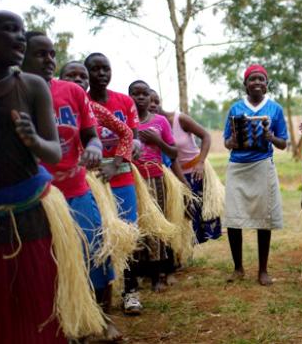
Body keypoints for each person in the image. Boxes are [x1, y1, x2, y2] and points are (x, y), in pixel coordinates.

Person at [0, 11, 100, 343]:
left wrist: (33, 140)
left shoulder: (31, 87)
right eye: (9, 30)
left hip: (30, 210)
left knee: (37, 299)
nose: (19, 37)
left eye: (21, 31)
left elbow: (53, 154)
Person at [22, 32, 122, 341]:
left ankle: (100, 318)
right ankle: (60, 323)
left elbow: (90, 134)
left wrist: (93, 147)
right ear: (21, 57)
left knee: (95, 252)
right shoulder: (15, 94)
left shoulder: (72, 93)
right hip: (38, 197)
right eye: (40, 54)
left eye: (52, 54)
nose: (49, 60)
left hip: (76, 189)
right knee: (50, 263)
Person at [85, 52, 145, 315]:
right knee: (98, 236)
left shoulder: (124, 101)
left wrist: (132, 149)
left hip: (122, 177)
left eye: (105, 68)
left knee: (128, 233)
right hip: (93, 182)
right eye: (95, 69)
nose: (101, 73)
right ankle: (98, 294)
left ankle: (131, 291)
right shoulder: (81, 102)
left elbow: (134, 136)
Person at [223, 64, 288, 286]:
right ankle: (238, 267)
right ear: (245, 84)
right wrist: (232, 140)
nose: (257, 83)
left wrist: (271, 137)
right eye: (253, 79)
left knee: (264, 218)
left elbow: (283, 143)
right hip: (237, 167)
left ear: (267, 83)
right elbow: (226, 141)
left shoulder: (275, 109)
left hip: (262, 165)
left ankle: (263, 270)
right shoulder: (235, 109)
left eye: (261, 79)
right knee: (233, 217)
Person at [151, 91, 222, 245]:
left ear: (160, 101)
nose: (152, 105)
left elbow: (206, 136)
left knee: (201, 211)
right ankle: (184, 251)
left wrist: (201, 162)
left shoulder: (179, 119)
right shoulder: (151, 126)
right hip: (175, 175)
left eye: (155, 101)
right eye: (149, 102)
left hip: (196, 171)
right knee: (183, 213)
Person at [129, 80, 179, 292]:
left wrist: (157, 141)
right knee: (136, 226)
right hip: (131, 180)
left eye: (144, 94)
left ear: (151, 98)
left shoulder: (160, 122)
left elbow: (174, 153)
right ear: (128, 96)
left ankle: (158, 275)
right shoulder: (125, 121)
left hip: (155, 177)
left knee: (156, 226)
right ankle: (140, 272)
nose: (140, 97)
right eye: (135, 93)